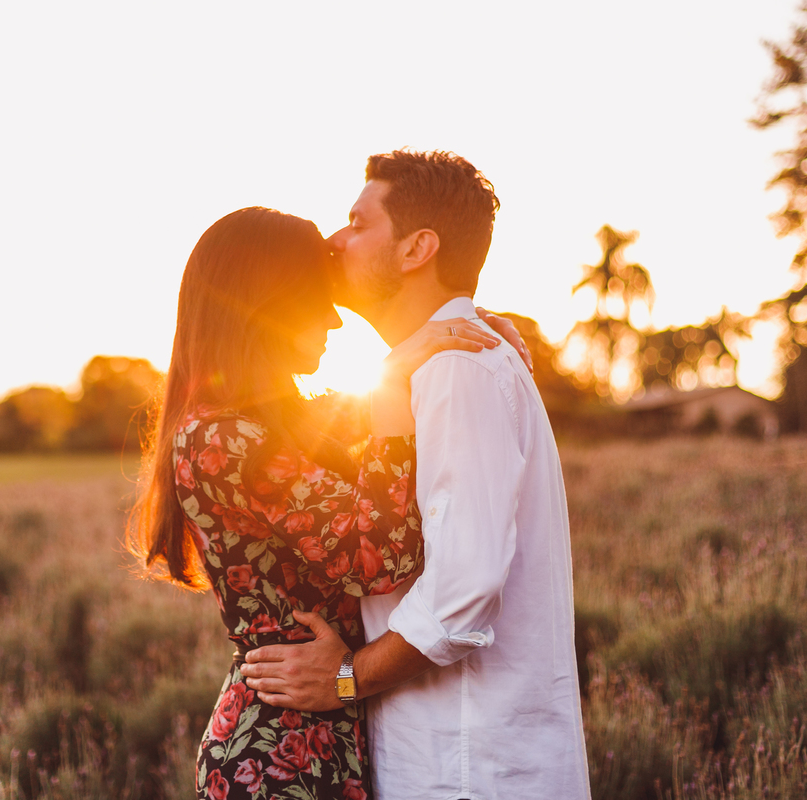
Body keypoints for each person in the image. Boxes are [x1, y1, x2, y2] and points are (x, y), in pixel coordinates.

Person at [127, 206, 529, 799]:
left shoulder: (272, 424)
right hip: (277, 753)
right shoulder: (220, 439)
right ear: (272, 305)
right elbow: (382, 556)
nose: (336, 322)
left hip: (315, 727)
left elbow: (350, 408)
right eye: (319, 297)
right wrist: (393, 381)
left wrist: (464, 320)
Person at [240, 151, 592, 799]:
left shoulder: (457, 369)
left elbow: (464, 589)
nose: (334, 239)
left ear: (416, 249)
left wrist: (344, 679)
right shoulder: (434, 363)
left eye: (356, 221)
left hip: (467, 767)